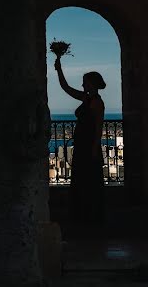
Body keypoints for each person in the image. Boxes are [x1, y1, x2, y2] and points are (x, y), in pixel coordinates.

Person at [54, 55, 106, 227]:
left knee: (88, 180)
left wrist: (94, 148)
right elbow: (66, 88)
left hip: (88, 145)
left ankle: (89, 216)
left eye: (85, 82)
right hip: (82, 145)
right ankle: (83, 214)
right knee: (83, 180)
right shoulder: (87, 99)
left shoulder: (97, 102)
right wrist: (59, 68)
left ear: (91, 83)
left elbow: (98, 128)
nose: (83, 85)